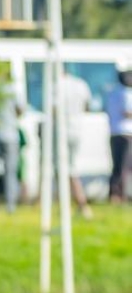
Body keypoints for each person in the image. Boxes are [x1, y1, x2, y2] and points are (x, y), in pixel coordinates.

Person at [62, 71, 95, 219]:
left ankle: (81, 204)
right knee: (70, 168)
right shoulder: (81, 84)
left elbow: (54, 108)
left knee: (67, 169)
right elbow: (88, 106)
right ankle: (75, 205)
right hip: (78, 129)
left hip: (62, 131)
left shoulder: (57, 85)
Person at [104, 64, 132, 204]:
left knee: (117, 166)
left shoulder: (112, 92)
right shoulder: (126, 93)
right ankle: (121, 195)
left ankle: (114, 194)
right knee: (124, 166)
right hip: (126, 133)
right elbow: (127, 112)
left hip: (114, 132)